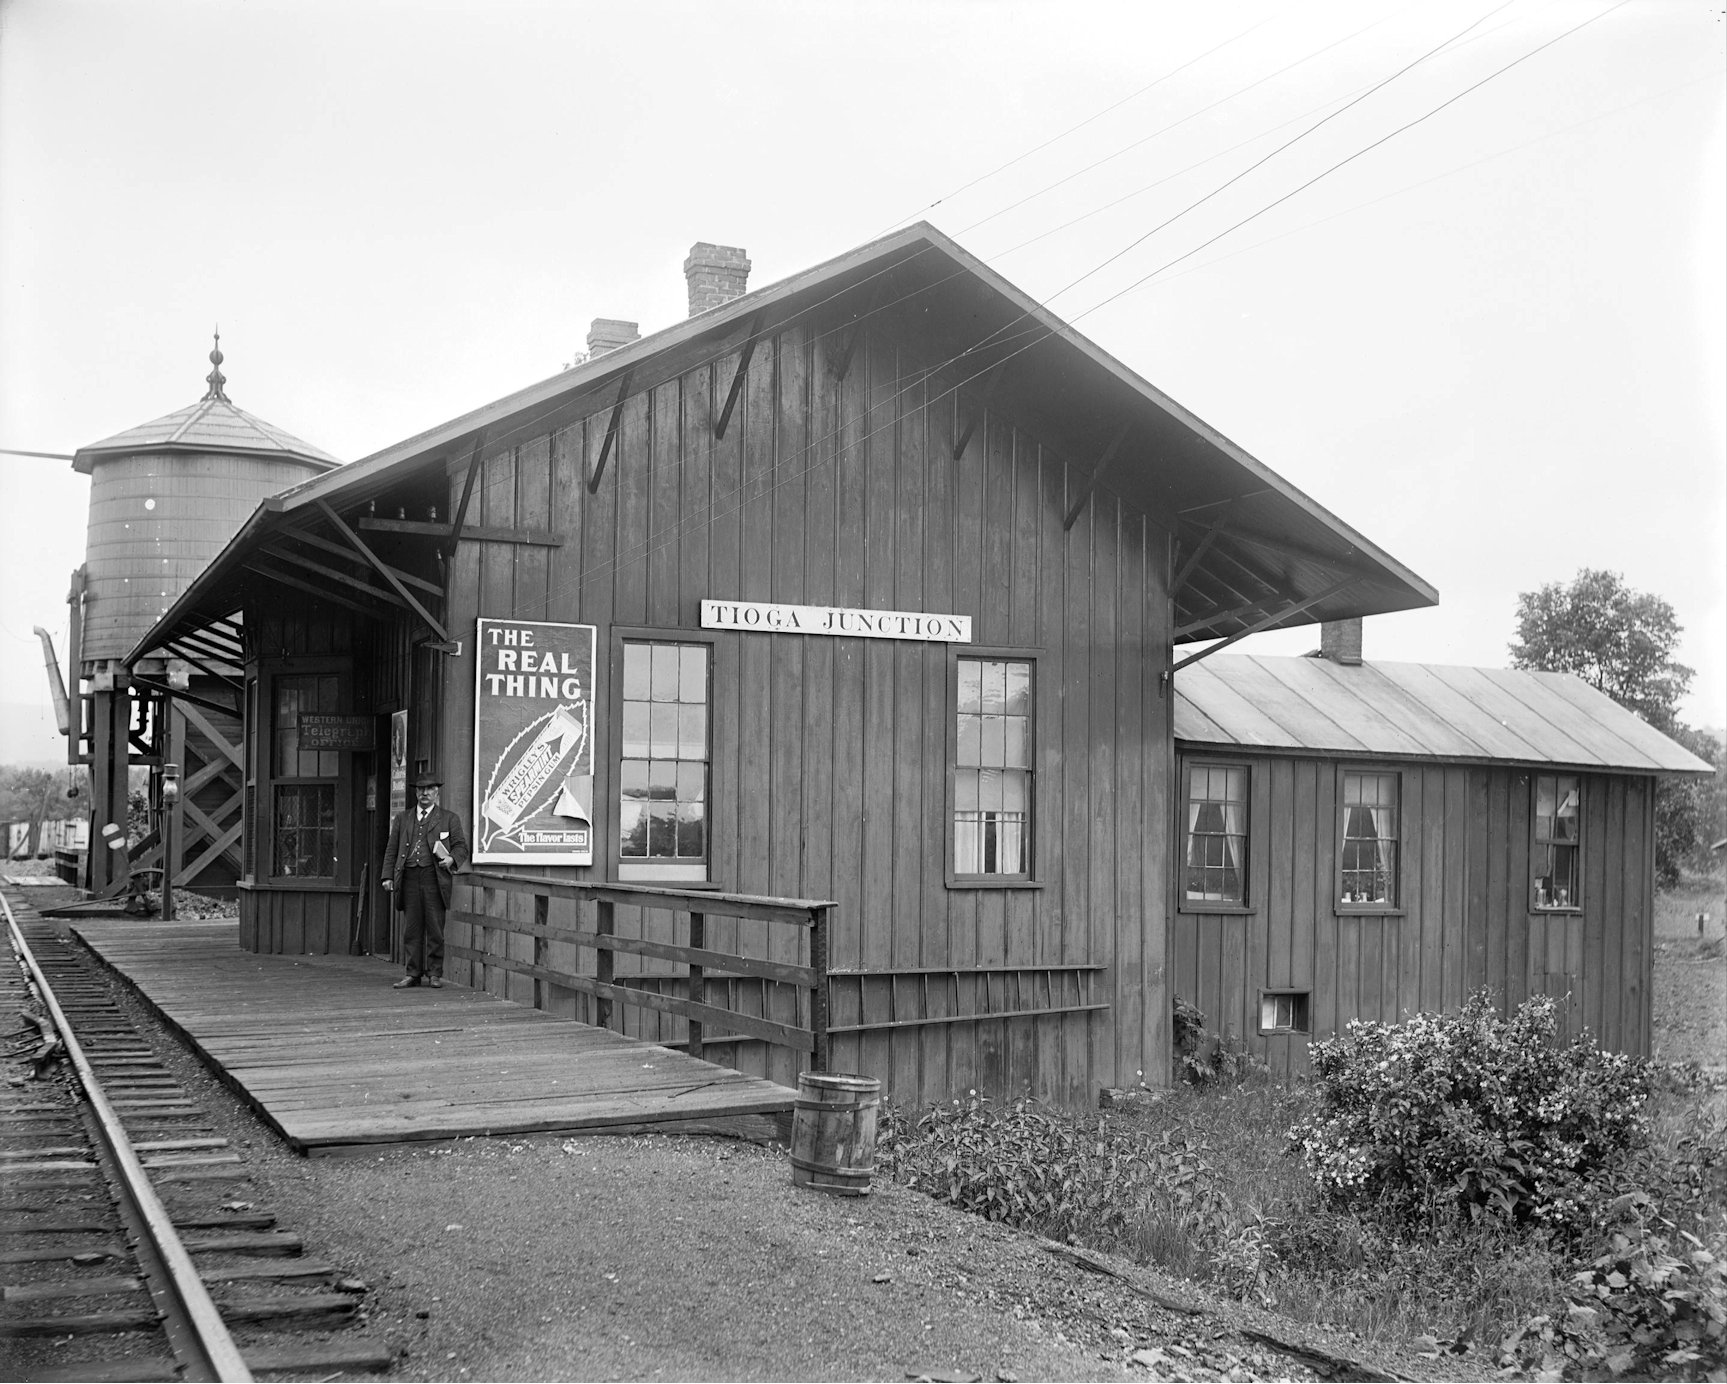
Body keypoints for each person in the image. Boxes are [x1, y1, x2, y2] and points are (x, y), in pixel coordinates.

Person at [381, 772, 470, 989]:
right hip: (409, 878)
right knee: (412, 929)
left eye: (430, 789)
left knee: (435, 929)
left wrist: (451, 859)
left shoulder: (449, 818)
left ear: (437, 792)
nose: (425, 793)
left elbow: (461, 847)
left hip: (435, 879)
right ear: (416, 792)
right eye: (421, 789)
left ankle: (434, 974)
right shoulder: (403, 819)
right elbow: (392, 849)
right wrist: (387, 876)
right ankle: (412, 973)